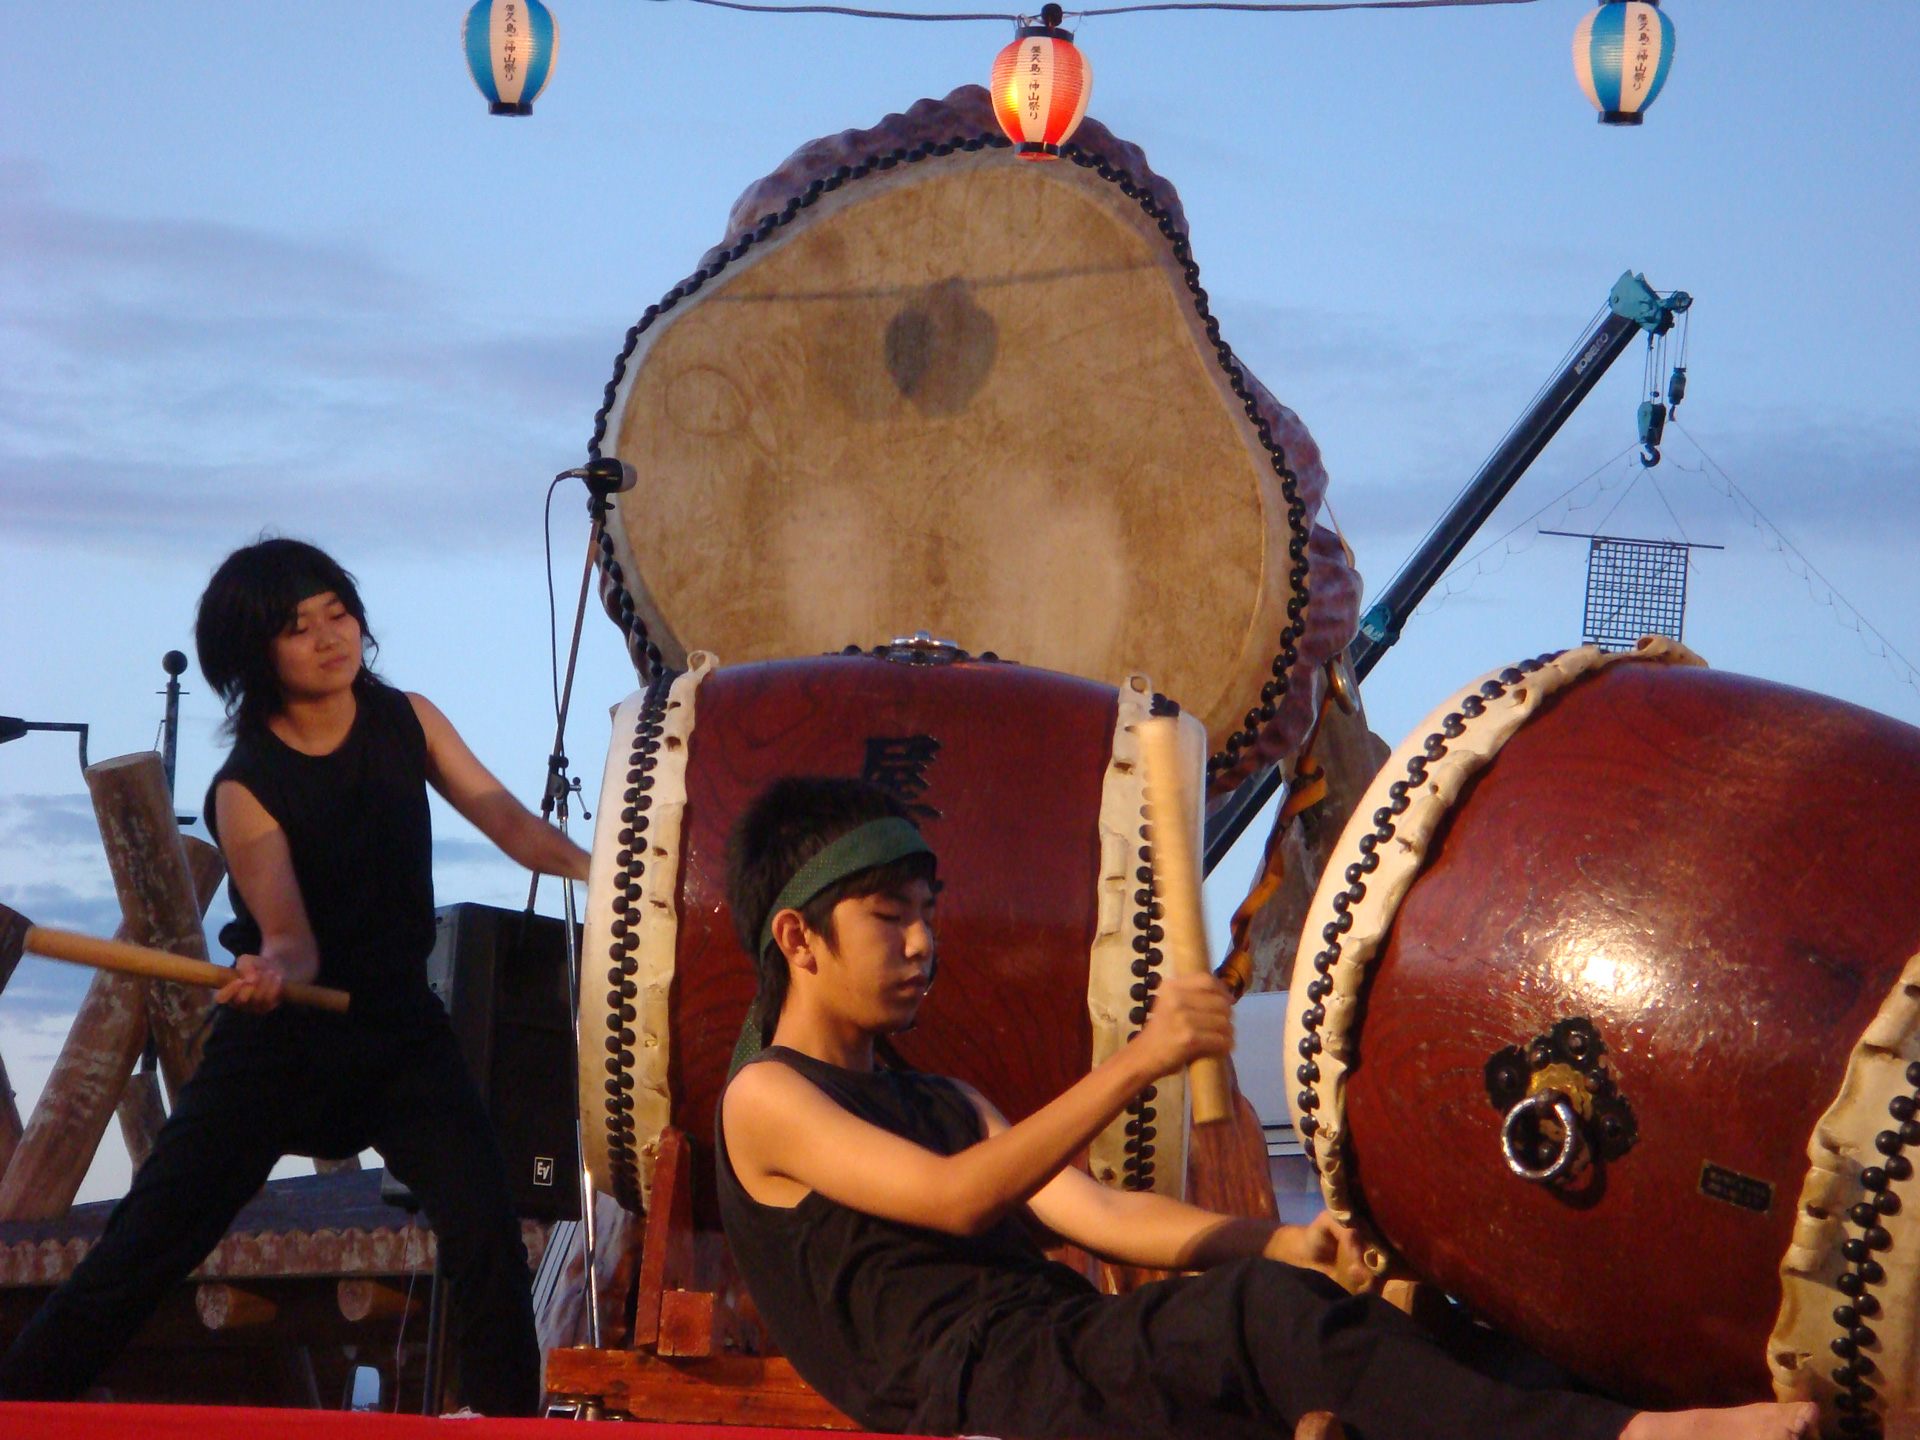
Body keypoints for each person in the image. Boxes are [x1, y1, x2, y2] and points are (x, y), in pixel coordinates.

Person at [717, 777, 1819, 1440]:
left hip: (1059, 1354)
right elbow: (958, 1203)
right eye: (886, 917)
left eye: (926, 913)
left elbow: (1102, 1216)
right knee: (1258, 1321)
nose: (921, 943)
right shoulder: (768, 1098)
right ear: (800, 939)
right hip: (966, 1393)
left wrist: (1286, 1238)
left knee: (1383, 1319)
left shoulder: (941, 1096)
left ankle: (1630, 1400)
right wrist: (1143, 1060)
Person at [0, 537, 589, 1415]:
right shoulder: (247, 784)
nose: (328, 637)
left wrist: (606, 870)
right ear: (254, 655)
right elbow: (291, 941)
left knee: (487, 1233)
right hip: (279, 1047)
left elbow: (507, 820)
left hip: (400, 1034)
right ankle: (21, 1403)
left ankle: (510, 1427)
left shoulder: (408, 719)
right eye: (296, 627)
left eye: (337, 613)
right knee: (148, 1243)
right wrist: (271, 971)